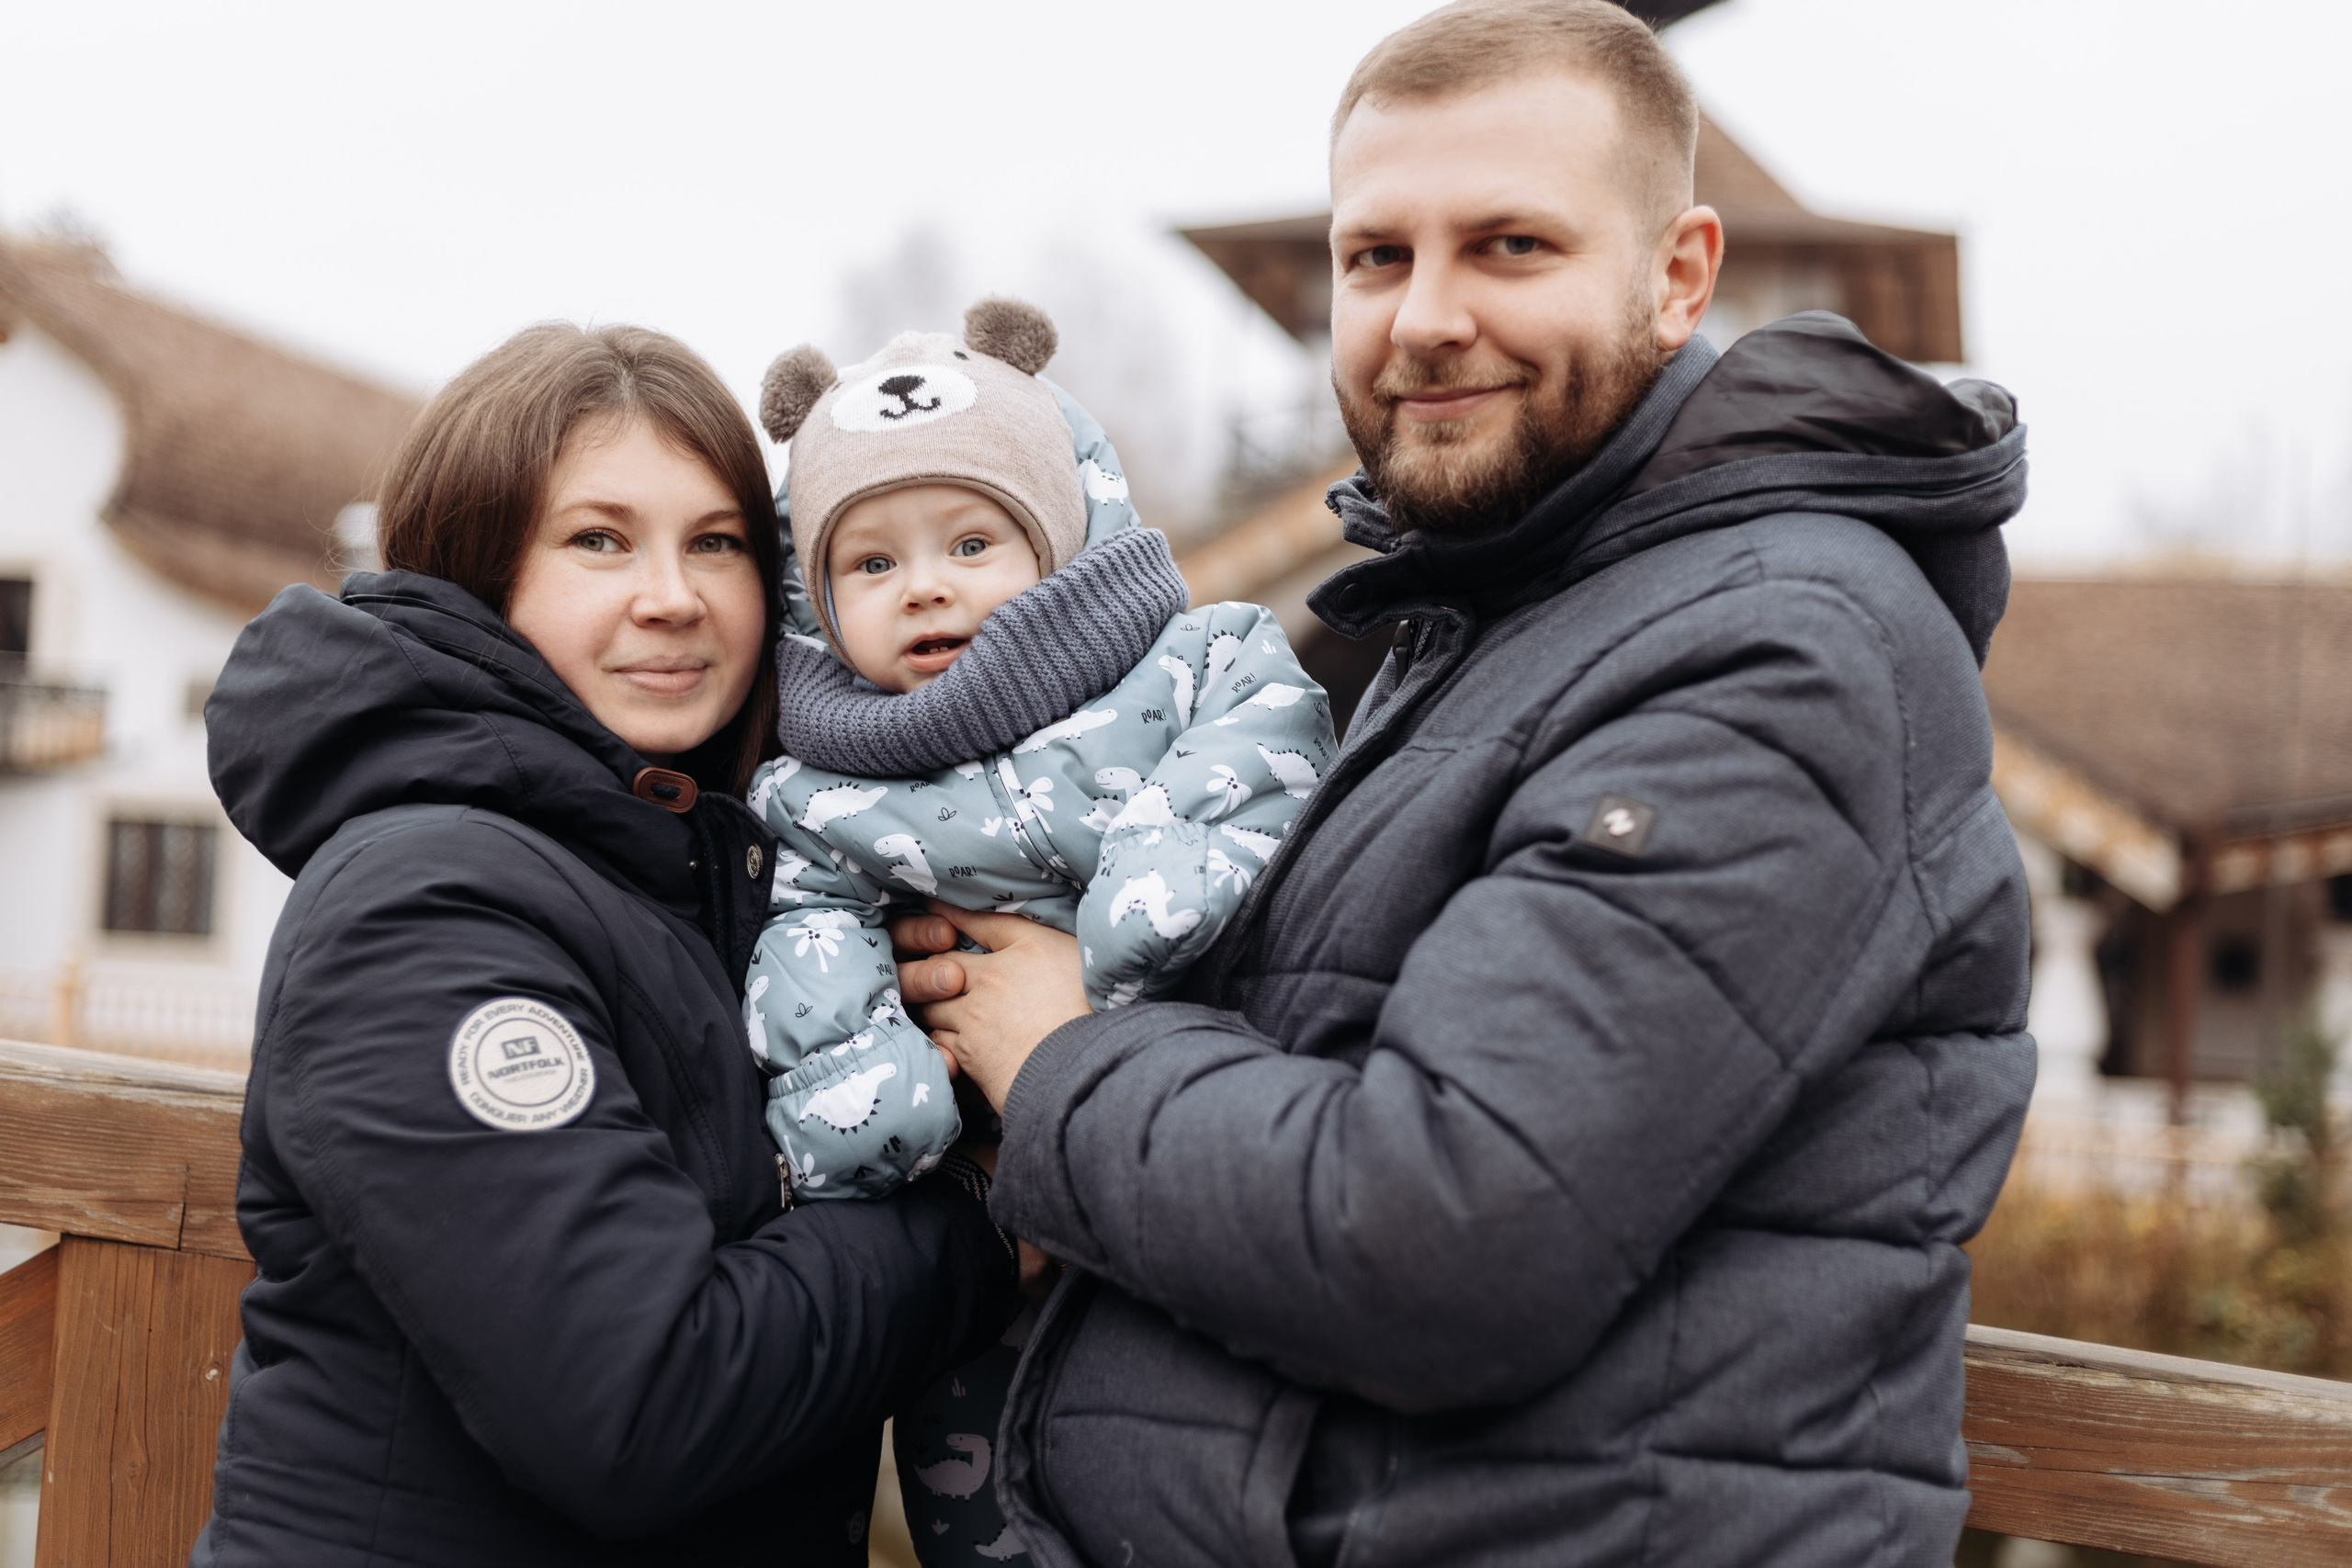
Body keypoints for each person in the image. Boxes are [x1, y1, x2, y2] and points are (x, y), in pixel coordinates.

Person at [889, 2, 2036, 1563]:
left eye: (1509, 247)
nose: (1424, 317)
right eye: (1377, 257)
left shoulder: (1775, 651)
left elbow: (1435, 1243)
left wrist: (1059, 1060)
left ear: (1679, 274)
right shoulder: (1500, 613)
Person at [194, 322, 1018, 1567]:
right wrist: (990, 1216)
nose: (672, 597)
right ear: (476, 576)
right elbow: (635, 1406)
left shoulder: (705, 872)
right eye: (599, 540)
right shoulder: (422, 906)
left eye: (717, 543)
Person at [741, 298, 1333, 1562]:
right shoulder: (820, 786)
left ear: (1060, 541)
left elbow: (1266, 743)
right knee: (979, 1496)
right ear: (817, 597)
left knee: (1184, 1476)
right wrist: (859, 1082)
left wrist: (1153, 886)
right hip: (977, 1207)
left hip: (1186, 1151)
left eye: (970, 540)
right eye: (874, 563)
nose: (929, 587)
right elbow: (808, 932)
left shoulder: (1186, 665)